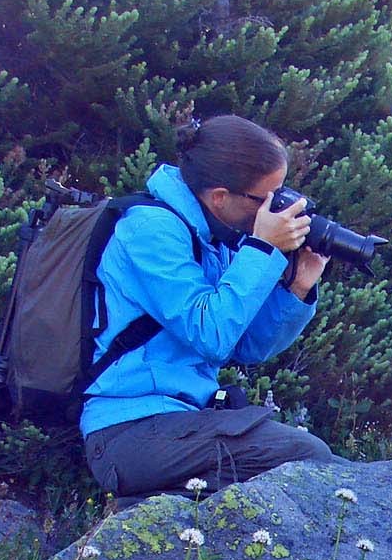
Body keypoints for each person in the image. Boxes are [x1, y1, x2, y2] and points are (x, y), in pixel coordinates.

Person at [80, 114, 337, 507]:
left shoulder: (215, 238)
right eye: (265, 198)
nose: (277, 208)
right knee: (307, 459)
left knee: (336, 471)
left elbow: (247, 346)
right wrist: (263, 248)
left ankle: (156, 507)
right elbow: (210, 332)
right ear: (220, 196)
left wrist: (298, 286)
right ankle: (149, 508)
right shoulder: (151, 231)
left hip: (181, 424)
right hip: (127, 433)